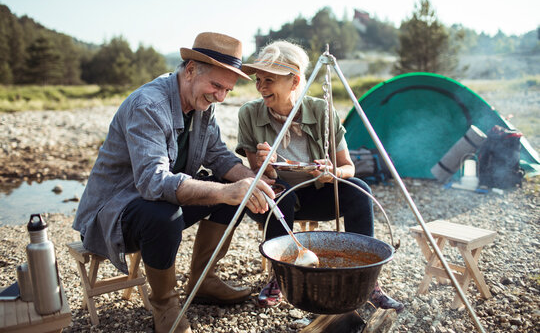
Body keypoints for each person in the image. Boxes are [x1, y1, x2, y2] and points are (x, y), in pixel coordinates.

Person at [72, 32, 275, 333]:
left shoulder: (203, 104)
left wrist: (258, 181)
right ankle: (165, 305)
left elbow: (218, 156)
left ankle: (203, 279)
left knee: (234, 191)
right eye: (216, 86)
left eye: (227, 90)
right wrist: (227, 191)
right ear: (191, 69)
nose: (220, 96)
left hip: (158, 202)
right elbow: (154, 184)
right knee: (164, 215)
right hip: (114, 215)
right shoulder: (148, 105)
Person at [236, 40, 404, 313]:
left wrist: (331, 174)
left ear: (295, 82)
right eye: (258, 79)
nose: (261, 86)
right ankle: (280, 277)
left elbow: (347, 167)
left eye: (269, 79)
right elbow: (257, 174)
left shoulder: (321, 110)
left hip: (317, 193)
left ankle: (368, 283)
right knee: (279, 194)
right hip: (274, 203)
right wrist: (266, 164)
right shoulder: (250, 114)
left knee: (358, 188)